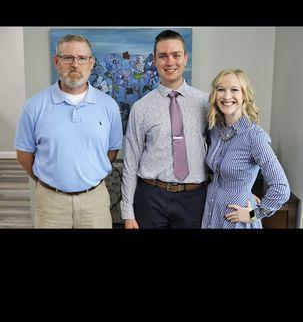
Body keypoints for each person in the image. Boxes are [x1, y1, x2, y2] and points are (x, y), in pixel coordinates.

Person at [15, 34, 123, 228]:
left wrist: (89, 174)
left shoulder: (109, 106)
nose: (75, 64)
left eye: (82, 58)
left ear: (91, 63)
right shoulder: (33, 106)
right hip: (51, 203)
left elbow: (112, 150)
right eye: (68, 58)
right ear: (57, 61)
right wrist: (50, 179)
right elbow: (24, 154)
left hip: (95, 201)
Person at [121, 30, 210, 228]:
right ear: (154, 61)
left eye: (176, 55)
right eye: (163, 56)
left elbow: (221, 150)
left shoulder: (206, 103)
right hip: (151, 197)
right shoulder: (141, 107)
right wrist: (127, 212)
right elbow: (131, 161)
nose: (170, 62)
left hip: (194, 199)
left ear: (185, 58)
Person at [201, 68, 290, 229]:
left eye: (234, 90)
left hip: (236, 222)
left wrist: (253, 214)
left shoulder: (254, 136)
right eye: (221, 90)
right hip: (212, 213)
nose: (227, 96)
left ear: (244, 96)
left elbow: (281, 188)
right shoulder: (215, 130)